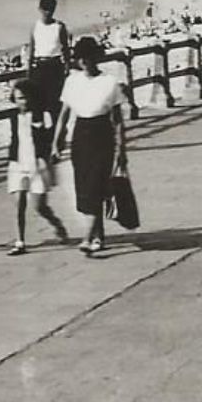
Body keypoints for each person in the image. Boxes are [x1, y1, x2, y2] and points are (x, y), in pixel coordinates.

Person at [52, 36, 129, 256]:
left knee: (95, 184)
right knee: (85, 187)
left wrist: (121, 150)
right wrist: (56, 141)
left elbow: (117, 121)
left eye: (88, 57)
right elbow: (64, 114)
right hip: (81, 136)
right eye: (80, 58)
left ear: (96, 58)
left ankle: (87, 238)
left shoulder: (109, 82)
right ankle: (99, 236)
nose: (84, 62)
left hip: (102, 134)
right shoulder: (72, 81)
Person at [5, 79, 70, 256]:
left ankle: (56, 223)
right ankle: (20, 241)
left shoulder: (43, 115)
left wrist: (48, 159)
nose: (22, 102)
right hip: (17, 163)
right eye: (18, 98)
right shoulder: (13, 116)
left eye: (25, 98)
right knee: (19, 204)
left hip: (37, 163)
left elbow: (48, 140)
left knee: (39, 206)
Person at [24, 0, 71, 122]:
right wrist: (29, 73)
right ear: (39, 9)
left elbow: (65, 49)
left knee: (55, 106)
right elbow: (32, 51)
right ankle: (41, 138)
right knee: (37, 106)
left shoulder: (60, 26)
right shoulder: (35, 26)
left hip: (55, 68)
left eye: (51, 9)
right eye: (45, 9)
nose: (48, 12)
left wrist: (67, 68)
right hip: (39, 68)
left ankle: (57, 137)